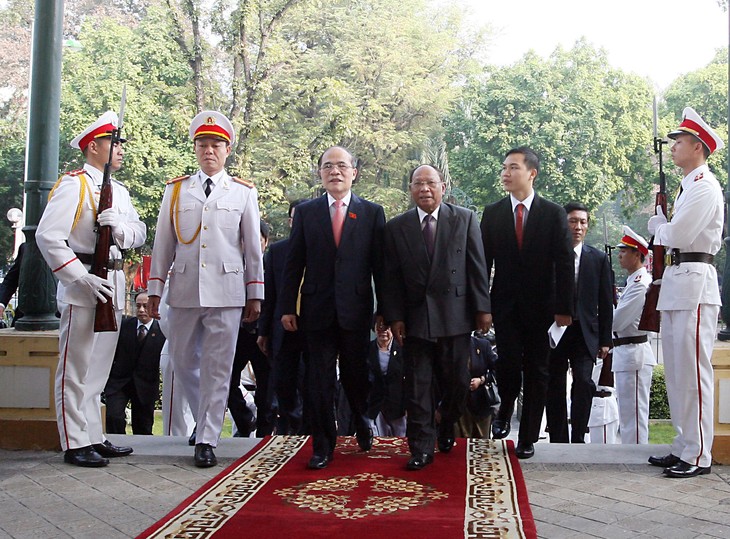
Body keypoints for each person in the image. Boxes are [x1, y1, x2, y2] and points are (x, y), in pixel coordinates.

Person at [148, 110, 264, 468]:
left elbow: (252, 247)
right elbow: (163, 243)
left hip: (227, 290)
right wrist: (154, 287)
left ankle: (208, 436)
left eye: (216, 144)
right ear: (195, 148)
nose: (209, 151)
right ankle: (207, 416)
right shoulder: (177, 189)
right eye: (203, 144)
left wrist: (255, 292)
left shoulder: (243, 192)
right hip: (184, 287)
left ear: (227, 150)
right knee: (183, 361)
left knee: (218, 365)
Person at [36, 110, 146, 467]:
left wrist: (119, 230)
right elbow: (48, 236)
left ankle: (93, 435)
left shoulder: (121, 191)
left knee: (99, 367)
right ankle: (74, 440)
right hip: (84, 279)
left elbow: (138, 233)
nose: (120, 150)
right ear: (93, 146)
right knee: (75, 365)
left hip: (112, 280)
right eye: (114, 143)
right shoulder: (75, 185)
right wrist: (76, 276)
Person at [279, 146, 385, 470]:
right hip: (317, 310)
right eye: (328, 166)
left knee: (356, 377)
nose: (335, 172)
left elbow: (381, 268)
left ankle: (362, 417)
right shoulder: (308, 212)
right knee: (319, 381)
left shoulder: (372, 213)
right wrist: (287, 307)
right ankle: (323, 445)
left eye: (342, 166)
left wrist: (385, 312)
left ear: (354, 172)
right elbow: (294, 263)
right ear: (320, 174)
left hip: (356, 310)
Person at [382, 164, 491, 470]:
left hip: (455, 316)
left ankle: (447, 425)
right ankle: (420, 447)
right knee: (417, 386)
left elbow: (476, 267)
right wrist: (394, 317)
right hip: (415, 320)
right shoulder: (397, 227)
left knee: (457, 382)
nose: (425, 189)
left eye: (431, 183)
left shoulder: (464, 219)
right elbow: (390, 278)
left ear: (443, 187)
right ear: (411, 189)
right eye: (418, 184)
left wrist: (483, 308)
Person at [480, 146, 574, 459]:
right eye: (504, 168)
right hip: (504, 306)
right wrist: (483, 307)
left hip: (542, 309)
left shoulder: (552, 213)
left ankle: (529, 437)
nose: (505, 173)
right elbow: (483, 264)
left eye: (513, 168)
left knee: (538, 371)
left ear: (531, 173)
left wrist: (564, 308)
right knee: (508, 364)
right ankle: (505, 408)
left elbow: (564, 263)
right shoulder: (493, 213)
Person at [647, 107, 724, 478]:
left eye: (679, 141)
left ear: (697, 146)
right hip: (681, 279)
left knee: (694, 373)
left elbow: (676, 235)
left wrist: (658, 224)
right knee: (678, 373)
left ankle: (698, 455)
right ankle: (683, 445)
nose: (673, 146)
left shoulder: (705, 186)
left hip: (695, 280)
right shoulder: (689, 187)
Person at [546, 202, 613, 443]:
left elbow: (606, 302)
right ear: (564, 224)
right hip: (555, 331)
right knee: (554, 383)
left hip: (585, 333)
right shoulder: (548, 256)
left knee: (584, 382)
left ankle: (578, 435)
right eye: (573, 221)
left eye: (583, 222)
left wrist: (605, 339)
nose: (578, 227)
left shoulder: (598, 259)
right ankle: (558, 437)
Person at [257, 199, 307, 435]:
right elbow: (270, 295)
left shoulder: (323, 249)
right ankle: (287, 429)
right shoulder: (277, 252)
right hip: (282, 330)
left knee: (311, 383)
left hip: (313, 330)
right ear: (290, 221)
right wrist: (263, 331)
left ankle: (309, 431)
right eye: (296, 218)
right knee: (283, 384)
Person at [228, 220, 274, 437]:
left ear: (265, 242)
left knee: (267, 386)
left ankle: (265, 433)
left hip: (263, 334)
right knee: (225, 380)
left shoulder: (272, 265)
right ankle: (245, 419)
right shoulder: (232, 267)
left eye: (258, 240)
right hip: (236, 333)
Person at [611, 226, 656, 444]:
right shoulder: (633, 282)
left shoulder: (640, 284)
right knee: (628, 413)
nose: (619, 255)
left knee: (635, 416)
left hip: (633, 353)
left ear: (637, 254)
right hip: (626, 352)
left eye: (624, 251)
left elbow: (618, 321)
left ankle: (635, 456)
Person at [104, 292, 165, 435]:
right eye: (138, 306)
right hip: (119, 383)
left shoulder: (163, 331)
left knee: (143, 427)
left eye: (145, 306)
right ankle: (117, 445)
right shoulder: (123, 326)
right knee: (113, 417)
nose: (141, 310)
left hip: (146, 386)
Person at [456, 332, 500, 439]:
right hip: (457, 405)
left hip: (480, 404)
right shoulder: (449, 348)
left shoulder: (482, 345)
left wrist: (481, 380)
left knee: (482, 445)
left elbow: (497, 370)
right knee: (458, 446)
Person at [366, 320, 406, 437]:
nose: (383, 331)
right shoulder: (368, 349)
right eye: (379, 327)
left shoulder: (402, 349)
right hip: (374, 406)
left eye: (387, 327)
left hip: (397, 407)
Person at [0, 242, 25, 326]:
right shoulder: (25, 248)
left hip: (61, 317)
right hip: (23, 317)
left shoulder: (66, 248)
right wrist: (1, 303)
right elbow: (11, 280)